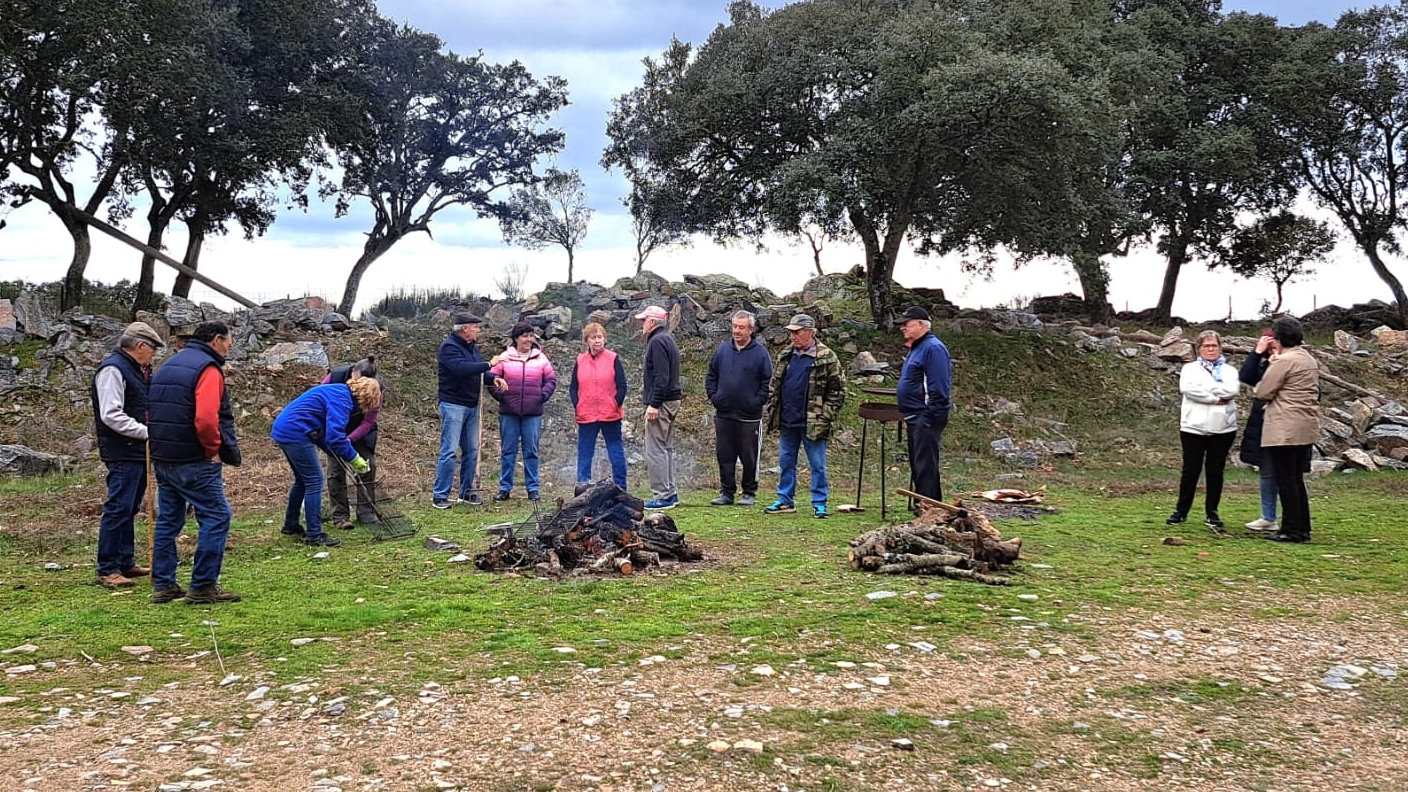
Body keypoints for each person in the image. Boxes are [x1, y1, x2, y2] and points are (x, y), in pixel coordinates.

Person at [147, 321, 242, 604]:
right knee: (216, 516)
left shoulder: (168, 366)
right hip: (194, 458)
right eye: (228, 341)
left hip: (164, 455)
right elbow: (205, 418)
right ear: (215, 340)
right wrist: (211, 449)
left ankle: (164, 584)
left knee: (169, 519)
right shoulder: (208, 370)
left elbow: (153, 409)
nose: (229, 347)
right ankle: (202, 585)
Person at [90, 321, 163, 589]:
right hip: (123, 449)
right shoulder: (113, 370)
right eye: (153, 349)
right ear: (140, 346)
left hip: (136, 449)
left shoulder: (137, 370)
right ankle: (107, 568)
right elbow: (111, 414)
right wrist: (145, 432)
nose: (154, 354)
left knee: (130, 507)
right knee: (119, 507)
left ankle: (125, 561)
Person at [271, 378, 380, 547]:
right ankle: (315, 535)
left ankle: (291, 524)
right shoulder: (342, 401)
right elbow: (335, 436)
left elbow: (322, 430)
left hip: (286, 428)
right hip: (296, 433)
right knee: (315, 481)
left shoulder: (337, 390)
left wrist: (333, 451)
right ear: (367, 399)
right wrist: (354, 458)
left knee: (302, 480)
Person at [764, 313, 845, 518]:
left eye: (796, 332)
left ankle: (819, 503)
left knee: (817, 464)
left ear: (809, 332)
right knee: (786, 461)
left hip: (814, 422)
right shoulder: (786, 354)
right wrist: (773, 407)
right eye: (791, 332)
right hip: (788, 420)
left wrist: (826, 416)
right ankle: (785, 500)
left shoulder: (826, 357)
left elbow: (838, 391)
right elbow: (776, 384)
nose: (792, 336)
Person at [1254, 316, 1320, 543]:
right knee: (1296, 479)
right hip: (1305, 426)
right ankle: (1302, 528)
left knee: (1285, 480)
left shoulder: (1284, 361)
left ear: (1279, 338)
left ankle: (1290, 530)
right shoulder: (1308, 359)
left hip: (1284, 428)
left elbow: (1263, 391)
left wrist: (1272, 363)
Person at [1167, 330, 1240, 530]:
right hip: (1193, 427)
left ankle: (1212, 513)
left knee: (1215, 471)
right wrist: (1214, 396)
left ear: (1220, 347)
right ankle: (1181, 511)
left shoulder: (1229, 371)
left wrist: (1207, 390)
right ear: (1198, 349)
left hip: (1223, 427)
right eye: (1206, 346)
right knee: (1191, 470)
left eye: (1214, 346)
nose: (1210, 349)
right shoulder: (1190, 369)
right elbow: (1189, 390)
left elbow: (1232, 390)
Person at [705, 310, 772, 506]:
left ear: (751, 329)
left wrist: (756, 402)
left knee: (749, 457)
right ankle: (727, 493)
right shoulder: (722, 351)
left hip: (749, 417)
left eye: (741, 327)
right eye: (734, 326)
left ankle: (749, 493)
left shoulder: (760, 354)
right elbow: (711, 375)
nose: (736, 331)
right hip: (724, 414)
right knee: (725, 456)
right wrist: (715, 397)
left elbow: (767, 382)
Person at [489, 322, 557, 501]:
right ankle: (504, 489)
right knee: (508, 451)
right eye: (524, 336)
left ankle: (533, 489)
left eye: (531, 335)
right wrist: (502, 397)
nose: (529, 339)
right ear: (516, 338)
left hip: (532, 412)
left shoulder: (541, 358)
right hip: (508, 412)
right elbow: (491, 379)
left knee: (531, 451)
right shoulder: (504, 357)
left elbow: (551, 380)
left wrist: (541, 396)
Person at [433, 313, 494, 509]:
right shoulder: (449, 347)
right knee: (449, 450)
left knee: (472, 450)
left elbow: (478, 370)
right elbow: (461, 369)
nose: (478, 330)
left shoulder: (472, 348)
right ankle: (440, 496)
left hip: (471, 405)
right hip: (453, 405)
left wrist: (493, 378)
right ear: (464, 328)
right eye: (476, 326)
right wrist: (490, 364)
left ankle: (467, 492)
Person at [895, 306, 952, 503]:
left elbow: (938, 387)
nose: (903, 327)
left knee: (925, 466)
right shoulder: (918, 347)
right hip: (915, 415)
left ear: (921, 324)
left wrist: (929, 417)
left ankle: (929, 509)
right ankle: (927, 507)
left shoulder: (933, 348)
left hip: (925, 416)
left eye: (906, 323)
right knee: (919, 465)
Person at [569, 322, 628, 492]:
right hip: (586, 414)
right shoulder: (580, 360)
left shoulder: (613, 358)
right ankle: (582, 486)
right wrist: (577, 404)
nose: (597, 341)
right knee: (585, 451)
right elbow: (573, 387)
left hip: (610, 414)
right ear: (586, 340)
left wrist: (615, 402)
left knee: (615, 450)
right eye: (593, 337)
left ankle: (620, 488)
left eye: (600, 337)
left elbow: (622, 385)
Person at [323, 357, 381, 529]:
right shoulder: (334, 377)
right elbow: (321, 402)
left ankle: (366, 513)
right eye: (357, 379)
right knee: (335, 472)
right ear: (353, 373)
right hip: (335, 428)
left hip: (360, 432)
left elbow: (368, 422)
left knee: (368, 466)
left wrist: (348, 441)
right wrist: (338, 439)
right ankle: (340, 516)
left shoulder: (376, 390)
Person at [636, 304, 682, 510]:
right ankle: (669, 492)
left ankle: (663, 495)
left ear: (652, 322)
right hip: (670, 400)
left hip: (662, 403)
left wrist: (654, 404)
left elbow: (661, 377)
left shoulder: (657, 342)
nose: (642, 324)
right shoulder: (667, 339)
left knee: (655, 449)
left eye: (644, 320)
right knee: (665, 448)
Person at [1238, 329, 1281, 531]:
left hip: (1284, 423)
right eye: (1269, 348)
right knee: (1266, 471)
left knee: (1288, 474)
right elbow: (1246, 375)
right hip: (1262, 423)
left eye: (1275, 346)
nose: (1273, 351)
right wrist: (1257, 352)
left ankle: (1292, 517)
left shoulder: (1291, 364)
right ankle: (1268, 516)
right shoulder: (1264, 365)